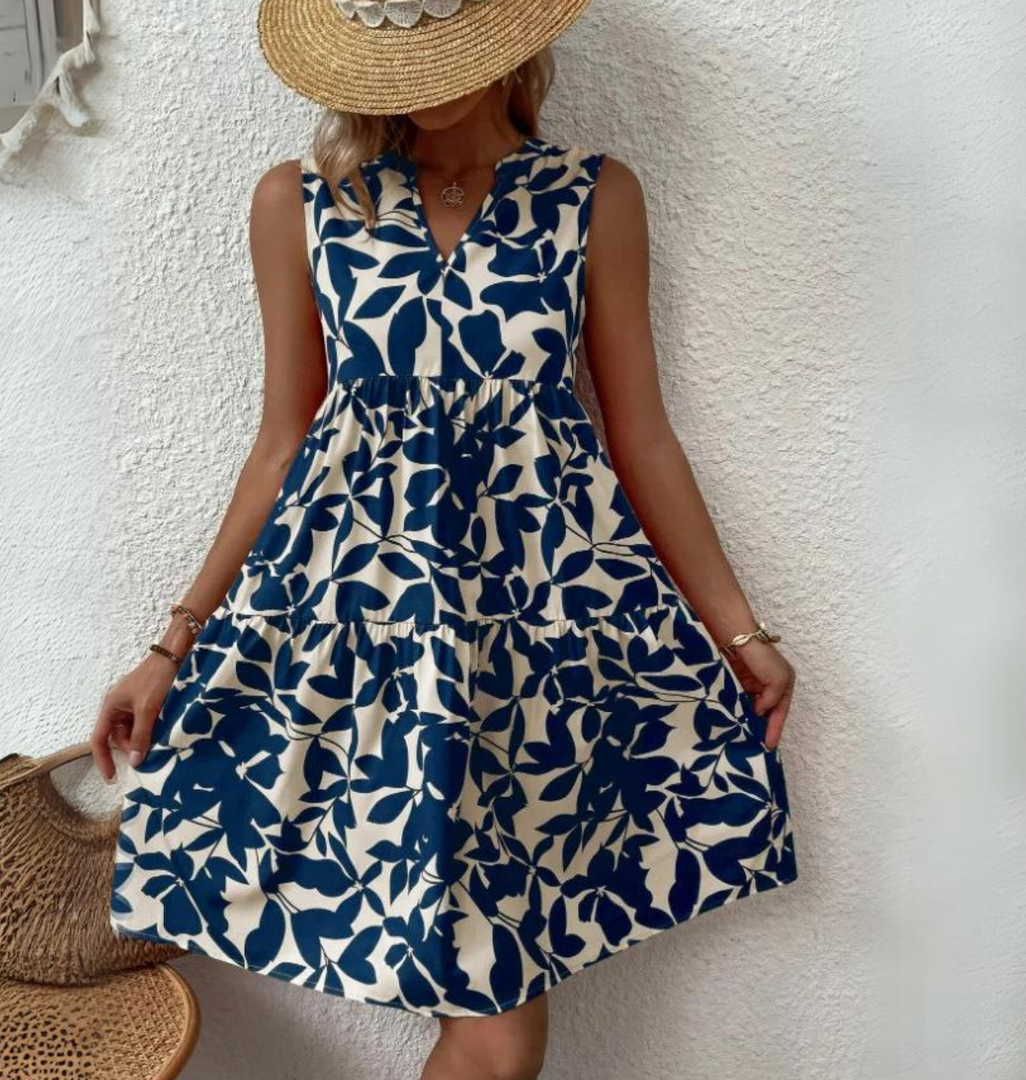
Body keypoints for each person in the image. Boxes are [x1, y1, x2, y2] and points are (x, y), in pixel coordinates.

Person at [93, 2, 800, 1077]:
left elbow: (642, 436)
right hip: (363, 637)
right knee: (494, 1022)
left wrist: (741, 633)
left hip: (538, 642)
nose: (427, 83)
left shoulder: (593, 198)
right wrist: (174, 641)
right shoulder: (301, 206)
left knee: (495, 1016)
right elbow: (283, 441)